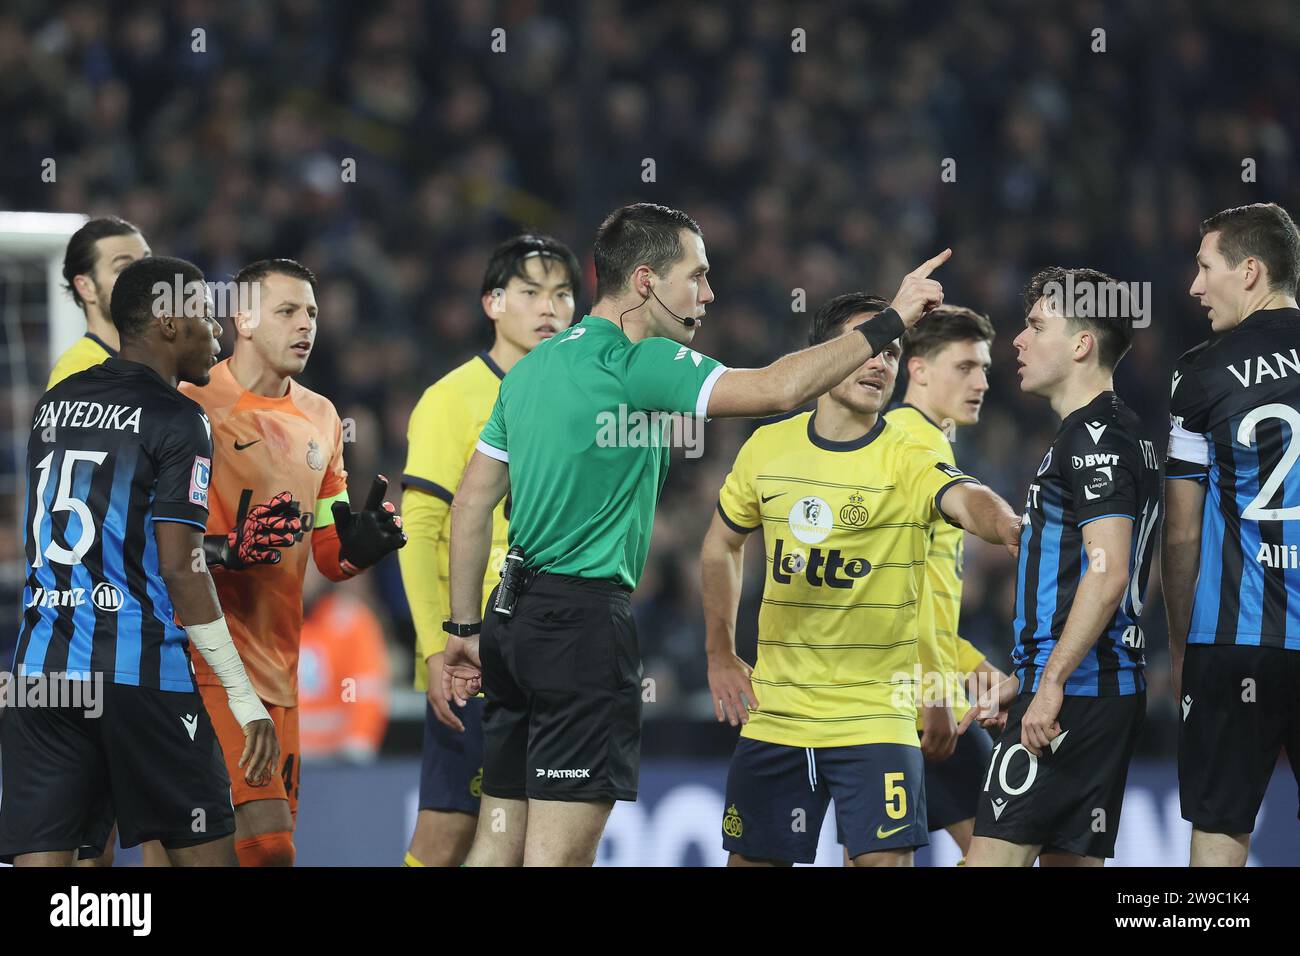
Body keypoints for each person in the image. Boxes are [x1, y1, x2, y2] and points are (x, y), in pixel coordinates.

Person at [443, 201, 954, 866]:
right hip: (580, 630)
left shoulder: (533, 367)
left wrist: (463, 632)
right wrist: (893, 318)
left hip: (511, 625)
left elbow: (471, 505)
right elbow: (776, 390)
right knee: (553, 858)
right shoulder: (641, 359)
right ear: (648, 280)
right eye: (698, 275)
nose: (709, 293)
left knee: (495, 843)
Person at [702, 294, 1022, 867]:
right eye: (871, 346)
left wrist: (1007, 524)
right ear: (826, 355)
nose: (881, 362)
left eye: (893, 352)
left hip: (879, 716)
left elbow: (966, 499)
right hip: (779, 714)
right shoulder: (768, 447)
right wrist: (720, 652)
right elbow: (722, 543)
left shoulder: (910, 452)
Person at [0, 256, 278, 866]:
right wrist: (241, 694)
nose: (219, 333)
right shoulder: (181, 419)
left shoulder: (55, 404)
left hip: (40, 675)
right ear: (169, 322)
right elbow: (180, 567)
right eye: (205, 315)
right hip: (141, 675)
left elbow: (95, 533)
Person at [178, 258, 406, 867]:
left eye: (310, 311)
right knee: (269, 848)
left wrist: (359, 547)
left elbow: (327, 556)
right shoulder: (191, 404)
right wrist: (228, 549)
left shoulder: (324, 417)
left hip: (280, 669)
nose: (306, 324)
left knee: (206, 852)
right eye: (287, 311)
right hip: (205, 661)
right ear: (244, 319)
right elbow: (152, 541)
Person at [964, 267, 1160, 867]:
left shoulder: (1094, 438)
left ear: (1081, 344)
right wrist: (1030, 676)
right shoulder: (1118, 434)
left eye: (1034, 325)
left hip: (1073, 693)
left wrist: (1047, 684)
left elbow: (1107, 573)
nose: (1016, 342)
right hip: (1098, 691)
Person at [399, 234, 580, 866]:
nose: (549, 307)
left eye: (562, 293)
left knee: (543, 834)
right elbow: (418, 531)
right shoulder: (453, 398)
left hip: (556, 645)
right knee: (451, 827)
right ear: (492, 303)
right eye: (530, 292)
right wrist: (432, 648)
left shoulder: (579, 398)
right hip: (477, 651)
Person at [1163, 202, 1300, 867]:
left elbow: (1182, 535)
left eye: (1204, 266)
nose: (1194, 287)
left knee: (1220, 830)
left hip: (1232, 641)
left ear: (1250, 271)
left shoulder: (1201, 371)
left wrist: (1179, 642)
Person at [882, 305, 1010, 861]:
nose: (981, 381)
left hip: (914, 696)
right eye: (964, 367)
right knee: (1005, 846)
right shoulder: (908, 448)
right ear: (919, 369)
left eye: (984, 368)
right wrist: (933, 692)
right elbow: (892, 598)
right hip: (904, 706)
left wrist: (976, 673)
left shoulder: (926, 440)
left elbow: (927, 607)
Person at [48, 216, 151, 389]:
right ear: (86, 287)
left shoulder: (164, 362)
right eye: (124, 268)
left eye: (148, 263)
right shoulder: (77, 374)